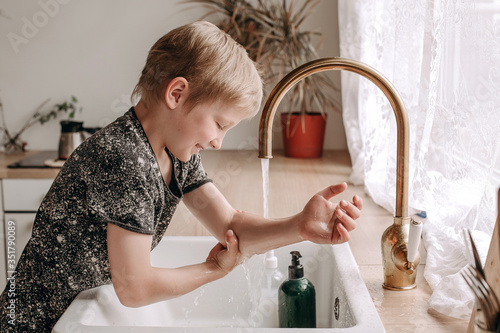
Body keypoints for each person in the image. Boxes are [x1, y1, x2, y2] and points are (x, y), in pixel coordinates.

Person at [0, 20, 363, 331]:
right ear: (176, 93)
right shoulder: (124, 158)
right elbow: (135, 287)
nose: (219, 142)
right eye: (219, 124)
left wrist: (299, 225)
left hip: (75, 316)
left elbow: (231, 225)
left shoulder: (174, 153)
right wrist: (212, 270)